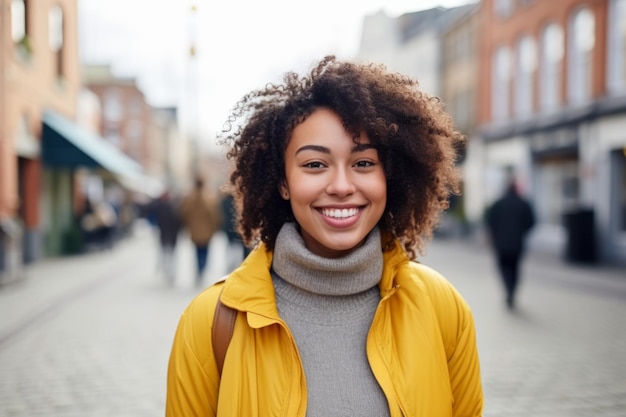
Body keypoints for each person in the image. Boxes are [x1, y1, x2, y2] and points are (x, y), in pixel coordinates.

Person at [166, 56, 483, 416]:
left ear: (389, 175)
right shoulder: (210, 321)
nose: (341, 186)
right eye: (315, 165)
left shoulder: (443, 308)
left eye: (363, 163)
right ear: (283, 183)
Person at [486, 179, 535, 310]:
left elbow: (490, 223)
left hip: (501, 244)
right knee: (515, 269)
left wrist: (495, 235)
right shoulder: (523, 204)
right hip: (517, 244)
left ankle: (508, 290)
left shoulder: (498, 204)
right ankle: (512, 291)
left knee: (503, 268)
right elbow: (531, 222)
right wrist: (521, 231)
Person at [180, 177, 221, 285]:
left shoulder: (190, 198)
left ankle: (199, 270)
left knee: (197, 252)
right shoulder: (208, 198)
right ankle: (202, 269)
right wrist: (214, 228)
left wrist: (188, 227)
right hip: (207, 232)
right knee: (205, 252)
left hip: (194, 232)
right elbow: (214, 216)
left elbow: (184, 214)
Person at [147, 189, 182, 284]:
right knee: (170, 254)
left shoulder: (161, 207)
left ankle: (168, 271)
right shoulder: (173, 207)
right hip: (171, 234)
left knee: (166, 253)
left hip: (165, 234)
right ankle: (170, 272)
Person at [219, 188, 250, 273]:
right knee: (237, 248)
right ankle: (235, 265)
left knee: (230, 247)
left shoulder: (223, 202)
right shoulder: (238, 202)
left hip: (227, 229)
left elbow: (220, 215)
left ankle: (231, 265)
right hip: (236, 228)